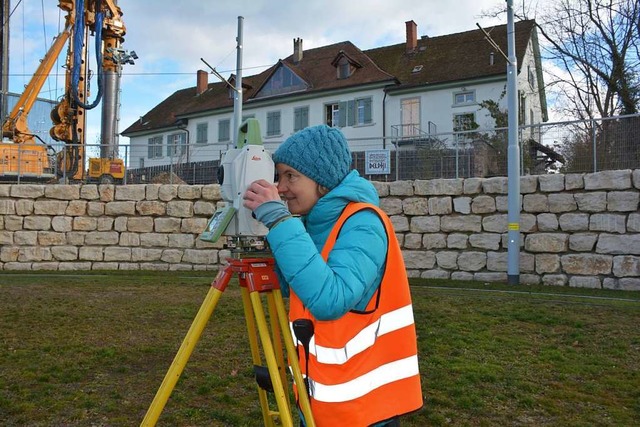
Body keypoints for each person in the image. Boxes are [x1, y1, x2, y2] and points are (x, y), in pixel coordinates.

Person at [243, 124, 423, 426]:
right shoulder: (312, 223)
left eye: (291, 176)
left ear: (322, 180)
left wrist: (280, 221)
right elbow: (300, 289)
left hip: (365, 408)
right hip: (322, 401)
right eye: (279, 176)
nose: (282, 187)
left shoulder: (364, 223)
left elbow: (330, 299)